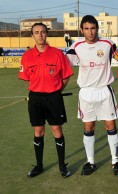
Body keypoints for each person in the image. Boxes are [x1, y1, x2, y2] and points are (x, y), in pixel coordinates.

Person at [66, 15, 118, 176]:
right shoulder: (75, 47)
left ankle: (115, 161)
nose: (90, 32)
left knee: (110, 126)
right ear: (81, 30)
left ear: (97, 29)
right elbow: (65, 66)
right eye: (86, 29)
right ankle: (90, 162)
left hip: (105, 90)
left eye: (93, 28)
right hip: (86, 92)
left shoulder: (108, 44)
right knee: (88, 127)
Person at [18, 22, 73, 178]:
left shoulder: (57, 54)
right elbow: (28, 79)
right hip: (35, 98)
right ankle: (39, 166)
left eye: (42, 32)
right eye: (36, 32)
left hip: (53, 97)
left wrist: (55, 91)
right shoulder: (27, 56)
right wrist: (38, 88)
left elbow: (66, 76)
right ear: (32, 35)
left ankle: (62, 166)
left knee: (56, 130)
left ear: (46, 34)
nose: (40, 35)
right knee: (38, 131)